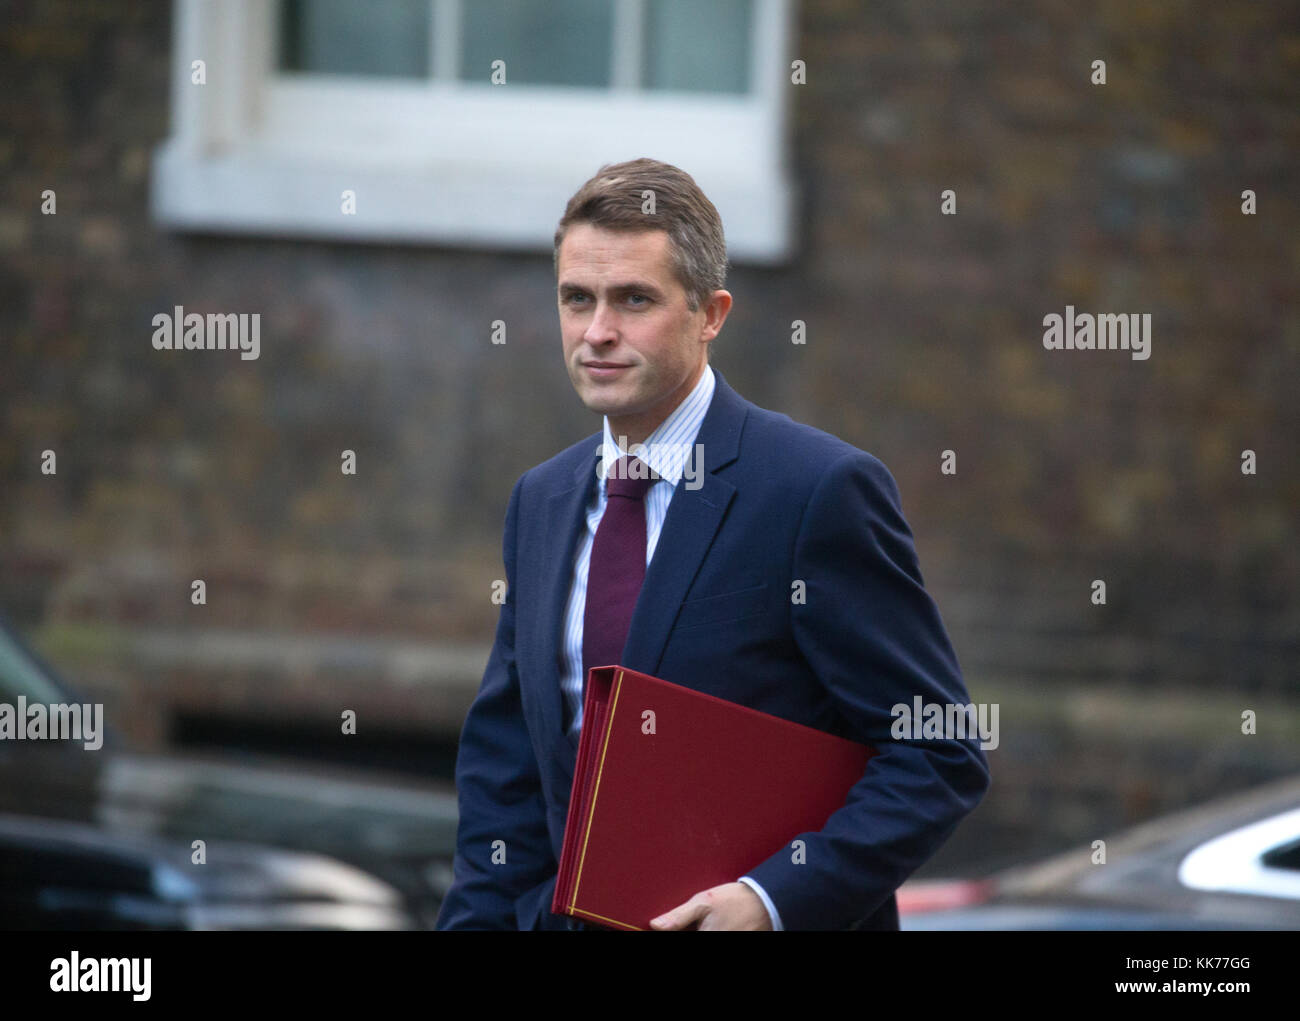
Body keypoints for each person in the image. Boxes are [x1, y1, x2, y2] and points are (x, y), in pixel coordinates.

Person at [436, 158, 990, 930]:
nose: (597, 332)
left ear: (711, 313)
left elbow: (938, 750)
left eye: (635, 299)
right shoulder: (542, 500)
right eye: (576, 299)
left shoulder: (817, 490)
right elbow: (507, 775)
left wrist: (770, 900)